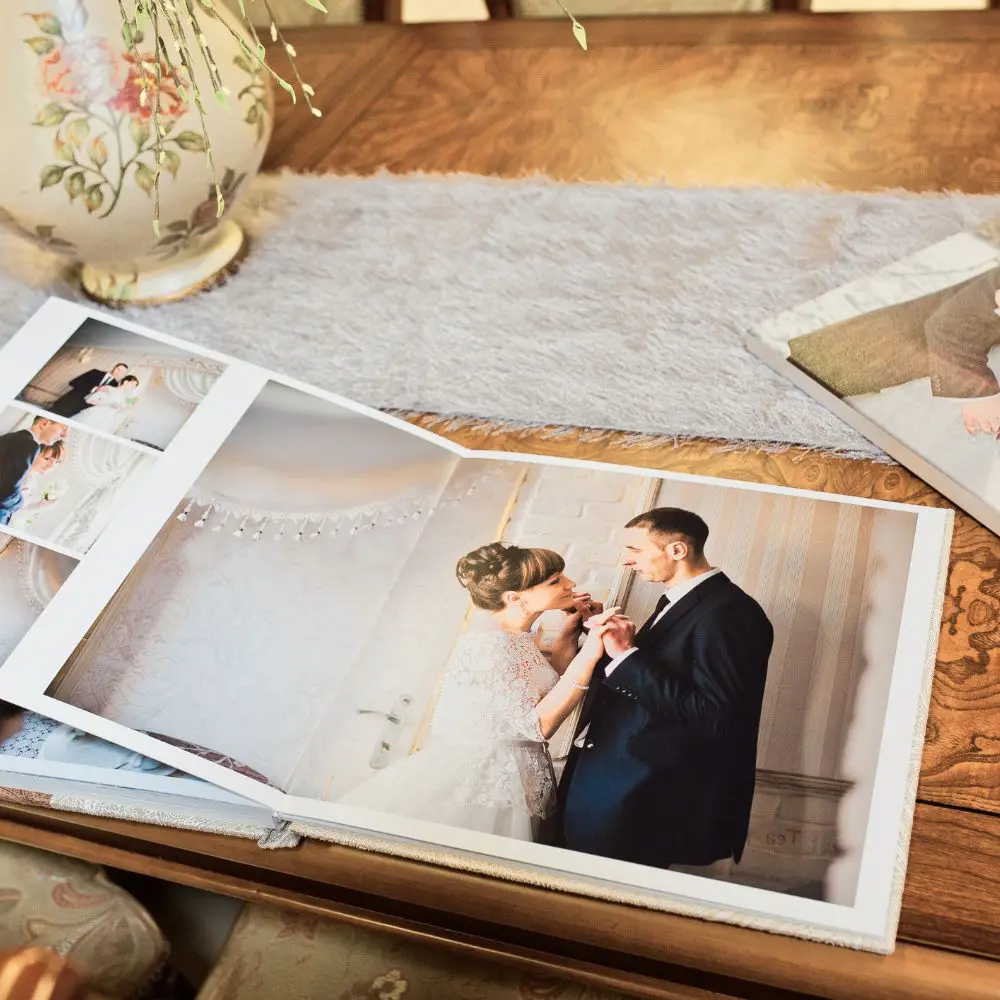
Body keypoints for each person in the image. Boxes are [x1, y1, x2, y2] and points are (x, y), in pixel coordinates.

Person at [336, 542, 613, 840]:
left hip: (519, 779)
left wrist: (571, 632)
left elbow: (547, 694)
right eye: (555, 580)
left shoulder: (517, 639)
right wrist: (592, 649)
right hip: (483, 786)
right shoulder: (490, 647)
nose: (570, 583)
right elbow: (539, 725)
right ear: (515, 597)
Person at [556, 507, 774, 871]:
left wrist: (627, 655)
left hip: (642, 796)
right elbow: (651, 684)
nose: (626, 561)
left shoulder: (730, 612)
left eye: (635, 550)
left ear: (677, 550)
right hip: (606, 781)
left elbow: (714, 716)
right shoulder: (677, 601)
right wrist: (596, 639)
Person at [785, 266, 1000, 436]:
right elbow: (947, 326)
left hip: (917, 379)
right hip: (878, 353)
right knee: (801, 392)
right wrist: (977, 394)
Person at [0, 417, 67, 526]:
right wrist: (21, 504)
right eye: (47, 459)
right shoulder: (27, 448)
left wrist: (39, 507)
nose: (51, 465)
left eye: (57, 462)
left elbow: (14, 515)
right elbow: (7, 493)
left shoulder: (32, 482)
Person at [48, 363, 128, 419]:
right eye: (118, 369)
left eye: (122, 372)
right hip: (67, 402)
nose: (119, 372)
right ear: (114, 367)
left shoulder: (115, 387)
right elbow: (74, 382)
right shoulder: (95, 372)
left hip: (80, 411)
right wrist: (94, 389)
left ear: (123, 374)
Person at [72, 375, 141, 434]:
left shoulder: (125, 397)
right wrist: (108, 405)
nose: (133, 387)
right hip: (95, 414)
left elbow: (120, 409)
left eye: (135, 386)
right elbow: (89, 400)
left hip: (107, 421)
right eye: (132, 384)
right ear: (125, 382)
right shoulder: (108, 388)